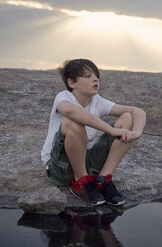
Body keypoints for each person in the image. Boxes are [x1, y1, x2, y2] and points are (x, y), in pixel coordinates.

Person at [41, 59, 146, 206]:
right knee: (73, 121)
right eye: (88, 76)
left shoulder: (96, 101)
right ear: (72, 83)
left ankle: (103, 179)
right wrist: (111, 130)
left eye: (96, 76)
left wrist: (136, 133)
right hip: (59, 167)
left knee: (127, 117)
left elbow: (137, 111)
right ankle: (80, 182)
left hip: (85, 160)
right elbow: (70, 111)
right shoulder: (64, 97)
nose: (95, 79)